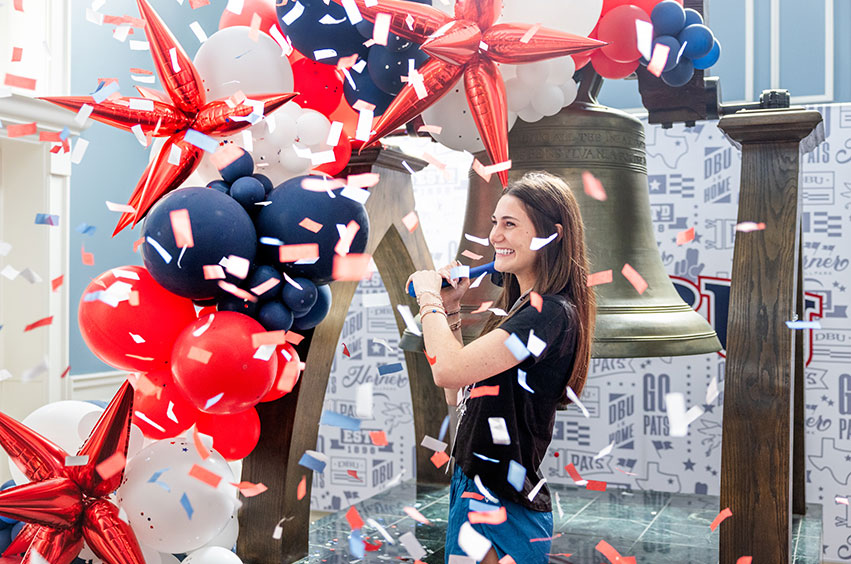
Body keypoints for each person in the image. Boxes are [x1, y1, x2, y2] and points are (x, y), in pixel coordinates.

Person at [406, 171, 596, 564]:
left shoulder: (550, 313)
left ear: (552, 235)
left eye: (510, 224)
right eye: (495, 222)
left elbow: (447, 370)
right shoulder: (522, 310)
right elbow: (458, 390)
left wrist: (428, 299)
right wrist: (453, 308)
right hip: (475, 487)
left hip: (502, 505)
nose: (495, 236)